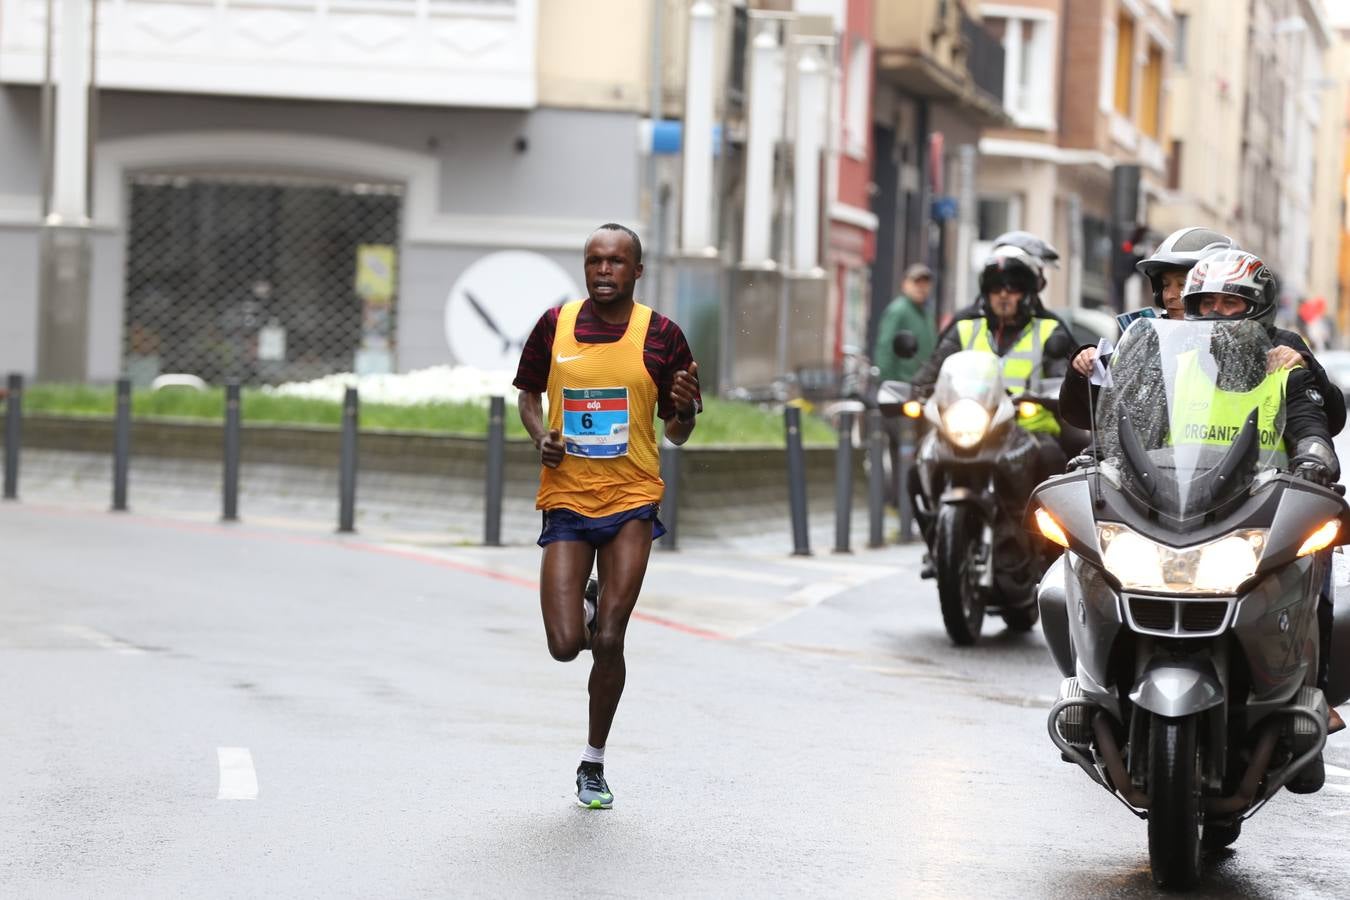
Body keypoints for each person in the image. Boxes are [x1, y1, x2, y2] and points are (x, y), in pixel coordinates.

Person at [513, 223, 702, 809]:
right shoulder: (554, 325)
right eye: (593, 260)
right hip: (567, 498)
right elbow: (527, 395)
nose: (602, 271)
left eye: (615, 262)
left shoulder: (663, 336)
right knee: (566, 644)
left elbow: (678, 431)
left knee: (612, 638)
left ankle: (593, 762)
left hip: (631, 501)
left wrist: (686, 412)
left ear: (636, 270)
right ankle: (587, 602)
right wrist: (541, 436)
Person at [1068, 228, 1346, 437]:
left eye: (1184, 284)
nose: (1172, 296)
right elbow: (1101, 419)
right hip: (1164, 491)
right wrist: (1085, 372)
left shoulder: (1280, 344)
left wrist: (1307, 368)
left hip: (1257, 494)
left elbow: (1328, 420)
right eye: (1166, 285)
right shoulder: (1150, 339)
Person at [873, 263, 935, 506]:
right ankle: (901, 504)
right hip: (902, 393)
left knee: (916, 448)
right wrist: (888, 388)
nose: (921, 287)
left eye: (925, 282)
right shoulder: (899, 311)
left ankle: (910, 503)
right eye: (916, 281)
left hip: (921, 393)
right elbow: (886, 348)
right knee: (904, 449)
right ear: (904, 284)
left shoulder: (925, 313)